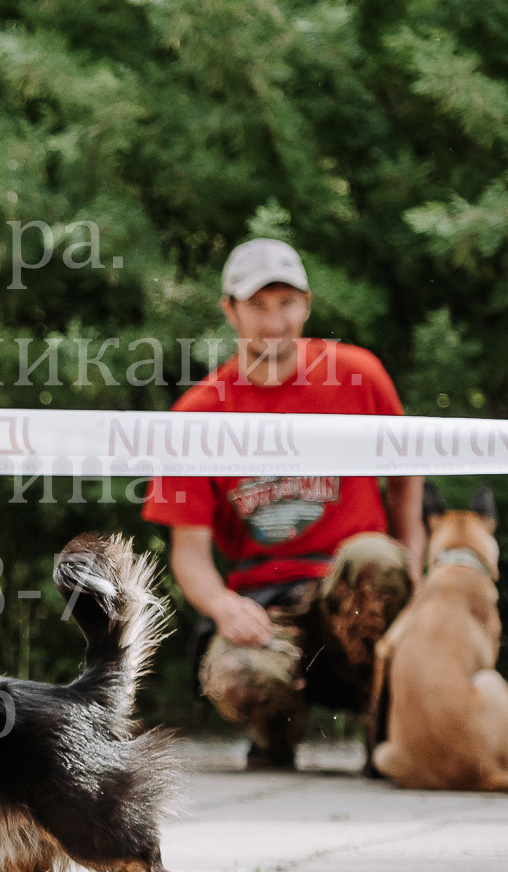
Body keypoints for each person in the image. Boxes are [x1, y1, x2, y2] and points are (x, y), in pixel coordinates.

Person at [144, 239, 426, 769]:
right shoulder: (197, 414)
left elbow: (408, 470)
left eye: (287, 303)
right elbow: (189, 552)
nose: (275, 322)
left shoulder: (358, 375)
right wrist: (224, 607)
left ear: (308, 305)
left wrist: (413, 555)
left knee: (378, 560)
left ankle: (383, 727)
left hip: (349, 587)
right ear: (229, 309)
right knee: (238, 677)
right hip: (266, 601)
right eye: (258, 305)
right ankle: (276, 730)